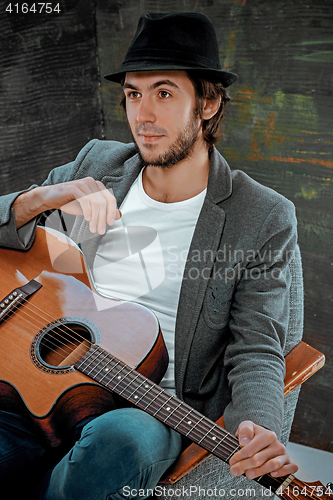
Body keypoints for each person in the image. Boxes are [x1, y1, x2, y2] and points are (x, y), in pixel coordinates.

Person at [0, 12, 300, 500]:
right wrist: (40, 199)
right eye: (133, 94)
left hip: (149, 407)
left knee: (120, 443)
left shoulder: (261, 215)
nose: (142, 114)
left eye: (163, 93)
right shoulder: (98, 162)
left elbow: (258, 346)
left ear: (208, 102)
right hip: (31, 378)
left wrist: (258, 426)